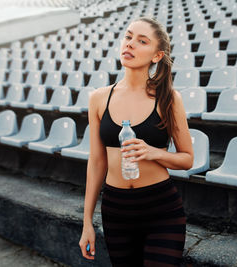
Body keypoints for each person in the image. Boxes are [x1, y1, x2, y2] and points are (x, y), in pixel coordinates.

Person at [78, 16, 194, 266]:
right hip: (116, 210)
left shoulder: (168, 98)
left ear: (156, 56)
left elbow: (187, 159)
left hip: (160, 208)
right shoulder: (99, 98)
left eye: (142, 41)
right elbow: (97, 162)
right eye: (128, 37)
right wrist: (87, 221)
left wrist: (154, 153)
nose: (130, 44)